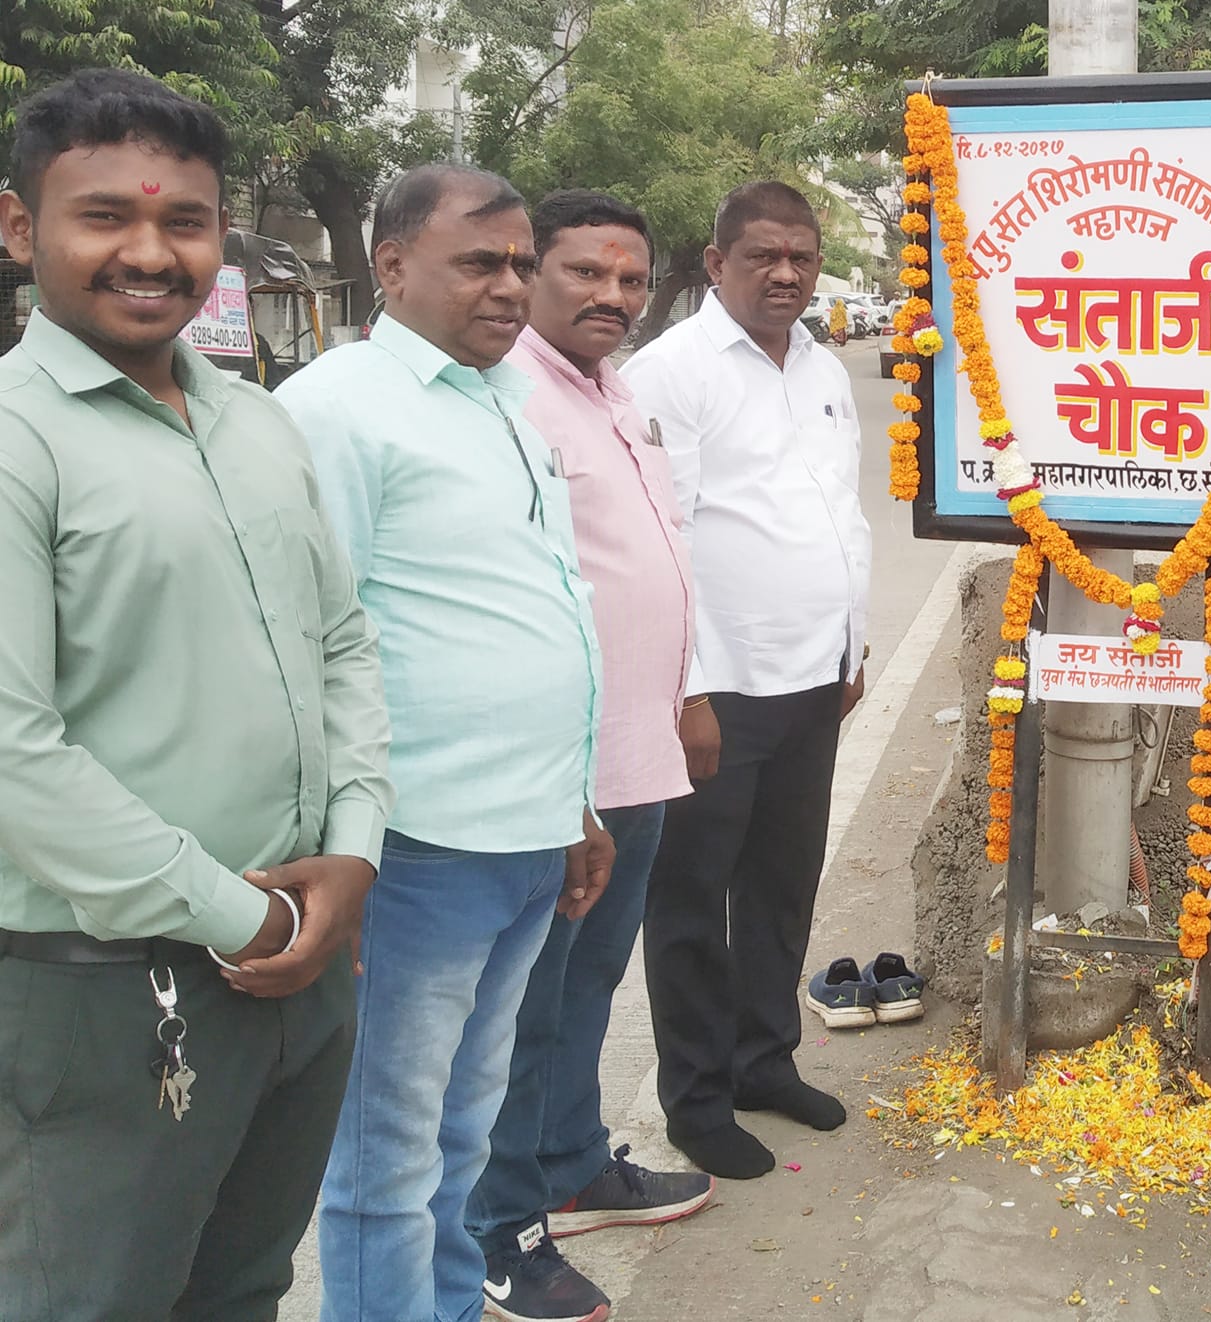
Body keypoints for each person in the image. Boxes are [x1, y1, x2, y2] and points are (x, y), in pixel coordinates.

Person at [0, 70, 393, 1319]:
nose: (149, 252)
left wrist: (354, 849)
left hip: (299, 964)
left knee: (242, 1284)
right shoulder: (20, 442)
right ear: (20, 229)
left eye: (184, 222)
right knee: (94, 1296)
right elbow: (15, 748)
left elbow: (341, 641)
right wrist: (248, 918)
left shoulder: (256, 422)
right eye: (103, 215)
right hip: (106, 986)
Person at [276, 163, 614, 1322]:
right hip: (413, 847)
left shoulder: (499, 399)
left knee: (462, 1137)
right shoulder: (337, 406)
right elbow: (311, 644)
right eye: (481, 259)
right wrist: (344, 850)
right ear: (392, 264)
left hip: (524, 836)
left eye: (521, 261)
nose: (512, 284)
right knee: (385, 1158)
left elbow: (538, 610)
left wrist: (573, 802)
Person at [464, 188, 713, 1322]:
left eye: (629, 277)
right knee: (521, 1011)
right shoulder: (504, 398)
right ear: (526, 274)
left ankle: (570, 1162)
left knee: (587, 989)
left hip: (636, 750)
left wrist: (686, 692)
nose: (613, 295)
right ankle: (496, 1226)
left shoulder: (613, 392)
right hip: (555, 776)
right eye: (584, 274)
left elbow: (651, 556)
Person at [623, 181, 872, 1180]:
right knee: (689, 897)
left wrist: (853, 648)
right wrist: (681, 690)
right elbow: (657, 539)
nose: (784, 274)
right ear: (715, 261)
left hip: (813, 677)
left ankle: (763, 1059)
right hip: (717, 687)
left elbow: (839, 513)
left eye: (801, 257)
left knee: (778, 884)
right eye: (762, 255)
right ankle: (694, 1095)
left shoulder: (821, 365)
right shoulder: (669, 373)